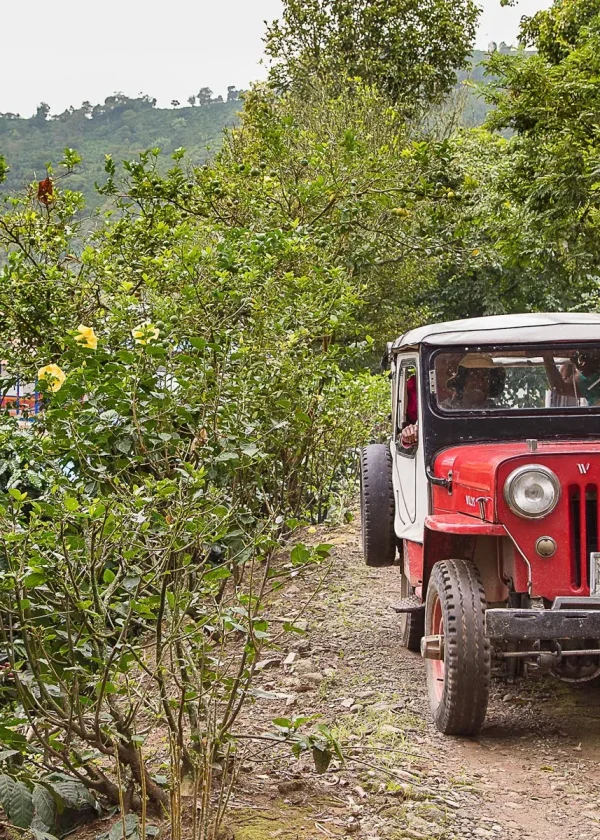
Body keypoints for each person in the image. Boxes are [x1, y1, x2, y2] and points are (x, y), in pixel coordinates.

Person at [400, 354, 505, 447]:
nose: (480, 383)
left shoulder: (501, 414)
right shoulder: (440, 410)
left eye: (485, 378)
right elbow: (415, 435)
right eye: (474, 377)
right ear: (462, 381)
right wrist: (409, 434)